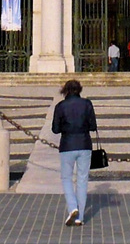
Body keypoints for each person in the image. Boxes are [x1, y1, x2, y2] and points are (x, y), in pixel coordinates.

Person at [51, 79, 98, 227]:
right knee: (82, 180)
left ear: (65, 90)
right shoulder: (87, 104)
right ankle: (80, 217)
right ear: (80, 90)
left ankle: (73, 207)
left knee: (66, 178)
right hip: (84, 144)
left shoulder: (60, 106)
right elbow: (93, 126)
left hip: (67, 145)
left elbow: (55, 129)